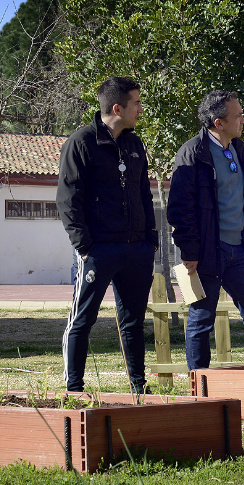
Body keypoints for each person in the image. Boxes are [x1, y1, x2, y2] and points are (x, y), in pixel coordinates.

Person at [166, 90, 244, 370]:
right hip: (206, 252)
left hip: (237, 250)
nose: (243, 120)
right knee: (201, 319)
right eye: (238, 115)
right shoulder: (192, 153)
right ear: (218, 122)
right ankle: (200, 387)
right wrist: (189, 250)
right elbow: (179, 208)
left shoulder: (237, 148)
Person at [58, 76, 158, 393]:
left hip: (136, 250)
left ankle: (139, 389)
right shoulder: (81, 143)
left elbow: (145, 194)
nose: (141, 109)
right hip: (98, 250)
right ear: (118, 107)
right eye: (137, 103)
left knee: (134, 323)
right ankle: (74, 389)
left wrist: (149, 241)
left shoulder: (134, 144)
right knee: (82, 320)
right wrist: (84, 246)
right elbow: (67, 200)